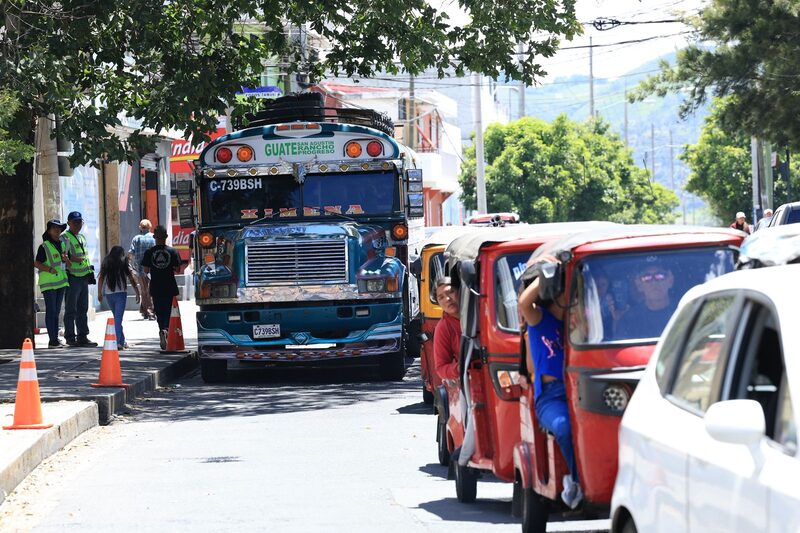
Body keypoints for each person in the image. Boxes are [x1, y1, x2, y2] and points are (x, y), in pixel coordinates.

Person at [518, 260, 582, 509]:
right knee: (565, 428)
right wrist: (548, 273)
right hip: (552, 397)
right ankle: (577, 481)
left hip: (580, 390)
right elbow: (524, 302)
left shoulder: (578, 322)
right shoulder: (539, 319)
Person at [61, 211, 97, 347]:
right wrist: (75, 259)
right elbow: (64, 255)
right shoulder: (65, 237)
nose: (77, 224)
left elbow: (84, 257)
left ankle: (83, 336)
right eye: (75, 222)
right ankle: (70, 337)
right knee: (71, 309)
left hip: (83, 277)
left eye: (80, 222)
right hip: (72, 277)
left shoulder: (81, 237)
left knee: (83, 308)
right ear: (69, 223)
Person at [615, 259, 675, 340]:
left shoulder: (685, 312)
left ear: (670, 280)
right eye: (647, 278)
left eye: (660, 276)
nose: (654, 282)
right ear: (639, 284)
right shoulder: (628, 321)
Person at [141, 225, 181, 349]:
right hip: (169, 285)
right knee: (169, 311)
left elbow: (146, 269)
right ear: (166, 236)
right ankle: (167, 330)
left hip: (156, 285)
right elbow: (178, 269)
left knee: (159, 310)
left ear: (154, 237)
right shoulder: (173, 251)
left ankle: (162, 330)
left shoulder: (149, 252)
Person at [33, 219, 71, 348]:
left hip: (60, 282)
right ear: (49, 230)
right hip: (48, 283)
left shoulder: (62, 244)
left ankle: (55, 338)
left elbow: (67, 264)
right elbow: (37, 263)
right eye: (54, 228)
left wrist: (67, 260)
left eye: (59, 228)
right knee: (51, 310)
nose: (57, 230)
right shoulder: (44, 246)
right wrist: (49, 269)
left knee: (57, 311)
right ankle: (52, 340)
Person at [98, 246, 140, 349]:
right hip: (121, 294)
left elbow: (101, 278)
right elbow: (131, 277)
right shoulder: (123, 262)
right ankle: (117, 342)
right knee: (118, 319)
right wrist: (137, 292)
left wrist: (99, 292)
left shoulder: (107, 262)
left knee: (117, 319)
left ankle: (122, 341)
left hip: (109, 294)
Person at [433, 277, 461, 384]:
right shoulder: (443, 328)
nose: (447, 299)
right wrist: (458, 368)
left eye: (451, 292)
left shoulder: (482, 311)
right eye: (441, 297)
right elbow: (441, 368)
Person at [128, 219, 156, 320]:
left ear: (140, 227)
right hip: (153, 268)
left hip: (140, 269)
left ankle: (146, 311)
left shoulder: (136, 238)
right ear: (150, 227)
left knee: (144, 290)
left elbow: (131, 252)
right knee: (150, 290)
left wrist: (129, 264)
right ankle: (148, 311)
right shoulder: (154, 237)